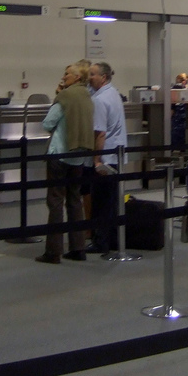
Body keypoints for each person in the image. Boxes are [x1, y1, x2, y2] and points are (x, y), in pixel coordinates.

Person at [37, 61, 95, 264]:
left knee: (55, 201)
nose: (64, 77)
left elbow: (48, 124)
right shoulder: (87, 96)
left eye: (67, 74)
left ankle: (53, 251)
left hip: (59, 154)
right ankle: (78, 247)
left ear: (77, 77)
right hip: (78, 156)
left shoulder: (65, 96)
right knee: (75, 200)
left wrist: (57, 96)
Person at [87, 61, 127, 254]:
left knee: (101, 202)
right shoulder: (114, 94)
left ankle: (100, 241)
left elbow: (100, 133)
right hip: (117, 155)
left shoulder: (100, 100)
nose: (89, 78)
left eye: (93, 74)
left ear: (103, 77)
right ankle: (113, 239)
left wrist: (96, 160)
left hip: (107, 157)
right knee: (112, 201)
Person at [171, 72, 188, 151]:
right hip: (183, 117)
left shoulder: (174, 89)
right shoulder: (185, 90)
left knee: (174, 135)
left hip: (176, 117)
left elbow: (172, 106)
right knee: (182, 136)